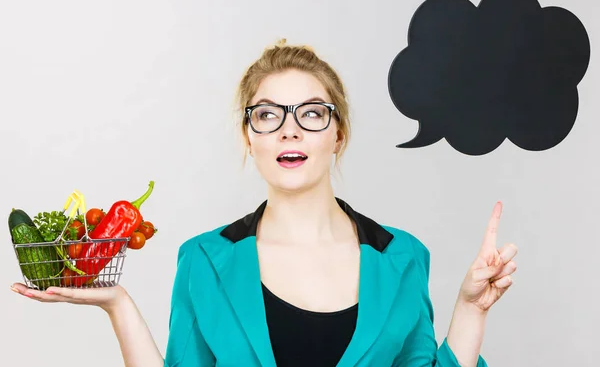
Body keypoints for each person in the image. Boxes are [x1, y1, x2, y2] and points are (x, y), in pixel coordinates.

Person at [11, 39, 518, 367]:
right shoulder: (204, 261)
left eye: (312, 113)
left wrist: (471, 311)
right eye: (268, 114)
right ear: (249, 136)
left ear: (338, 134)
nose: (289, 127)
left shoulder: (402, 257)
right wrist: (118, 306)